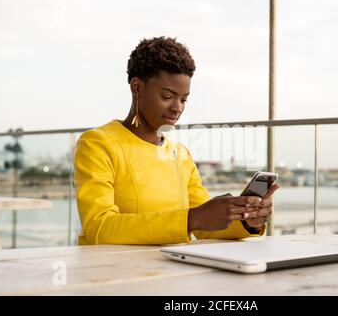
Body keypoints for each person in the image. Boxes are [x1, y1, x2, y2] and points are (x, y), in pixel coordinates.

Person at [73, 36, 280, 245]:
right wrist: (193, 218)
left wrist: (246, 220)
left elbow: (205, 228)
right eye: (167, 96)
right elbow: (99, 227)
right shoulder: (97, 144)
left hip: (172, 267)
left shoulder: (180, 154)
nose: (178, 108)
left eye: (183, 99)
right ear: (137, 88)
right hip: (114, 270)